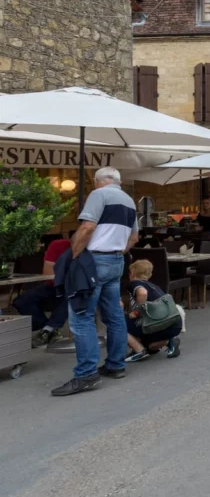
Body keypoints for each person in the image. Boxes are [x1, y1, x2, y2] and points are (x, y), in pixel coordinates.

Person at [52, 167, 138, 396]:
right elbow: (134, 237)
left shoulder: (99, 195)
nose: (94, 186)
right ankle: (116, 365)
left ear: (101, 181)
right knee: (114, 317)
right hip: (116, 262)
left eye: (95, 183)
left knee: (81, 318)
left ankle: (86, 374)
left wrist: (75, 256)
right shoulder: (129, 201)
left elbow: (88, 227)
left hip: (95, 261)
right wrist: (117, 252)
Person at [13, 237, 71, 347]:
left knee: (73, 295)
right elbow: (48, 273)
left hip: (75, 290)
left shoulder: (94, 250)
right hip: (54, 286)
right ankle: (45, 329)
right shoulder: (59, 245)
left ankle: (49, 329)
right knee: (22, 300)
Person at [123, 259, 182, 361]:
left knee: (118, 323)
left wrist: (137, 312)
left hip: (158, 323)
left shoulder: (134, 283)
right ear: (149, 275)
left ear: (132, 273)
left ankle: (139, 351)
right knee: (150, 347)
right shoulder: (154, 286)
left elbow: (142, 293)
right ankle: (169, 341)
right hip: (173, 323)